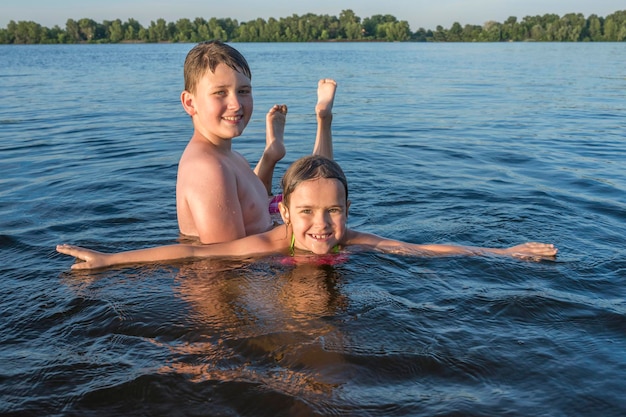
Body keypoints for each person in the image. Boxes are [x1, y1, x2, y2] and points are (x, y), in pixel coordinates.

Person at [56, 155, 558, 270]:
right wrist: (108, 261)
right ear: (287, 213)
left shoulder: (349, 238)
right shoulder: (272, 242)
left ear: (347, 211)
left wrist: (502, 252)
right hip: (281, 281)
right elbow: (193, 255)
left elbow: (421, 249)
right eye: (310, 213)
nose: (322, 225)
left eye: (334, 212)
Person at [176, 40, 336, 244]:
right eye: (220, 93)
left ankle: (275, 151)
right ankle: (324, 119)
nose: (235, 104)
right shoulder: (206, 169)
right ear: (190, 103)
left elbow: (252, 199)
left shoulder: (228, 156)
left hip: (266, 238)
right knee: (321, 194)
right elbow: (227, 263)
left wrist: (269, 159)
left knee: (320, 191)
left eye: (243, 91)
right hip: (252, 267)